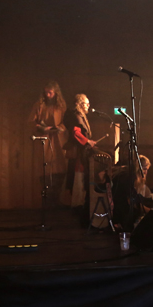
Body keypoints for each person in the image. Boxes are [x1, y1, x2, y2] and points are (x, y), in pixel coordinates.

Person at [63, 93, 99, 224]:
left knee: (80, 178)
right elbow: (75, 133)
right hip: (79, 153)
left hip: (82, 151)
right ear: (79, 104)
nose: (88, 106)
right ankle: (77, 205)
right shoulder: (75, 116)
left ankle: (79, 204)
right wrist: (87, 141)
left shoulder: (80, 115)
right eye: (86, 103)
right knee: (78, 178)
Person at [28, 81, 67, 195]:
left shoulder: (61, 106)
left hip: (58, 140)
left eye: (50, 93)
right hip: (44, 140)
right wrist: (41, 128)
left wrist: (60, 127)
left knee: (59, 167)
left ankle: (57, 195)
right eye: (46, 93)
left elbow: (66, 122)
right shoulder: (39, 105)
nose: (48, 95)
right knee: (45, 168)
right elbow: (31, 122)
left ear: (56, 93)